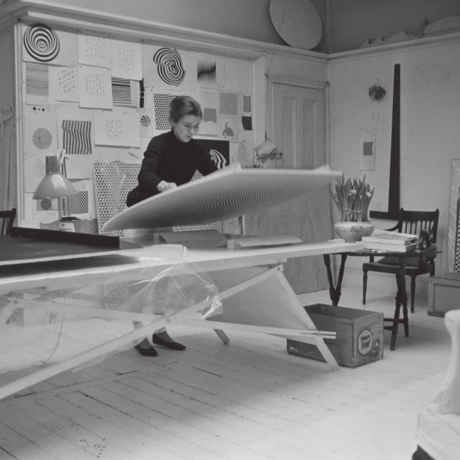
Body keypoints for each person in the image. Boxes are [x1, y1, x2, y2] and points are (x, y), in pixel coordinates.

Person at [125, 95, 218, 357]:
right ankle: (138, 333)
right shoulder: (159, 143)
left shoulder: (197, 150)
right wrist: (160, 184)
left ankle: (159, 328)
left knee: (164, 273)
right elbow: (144, 174)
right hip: (140, 213)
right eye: (187, 125)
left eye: (196, 126)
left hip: (166, 215)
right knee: (141, 276)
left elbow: (213, 176)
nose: (192, 131)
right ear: (173, 121)